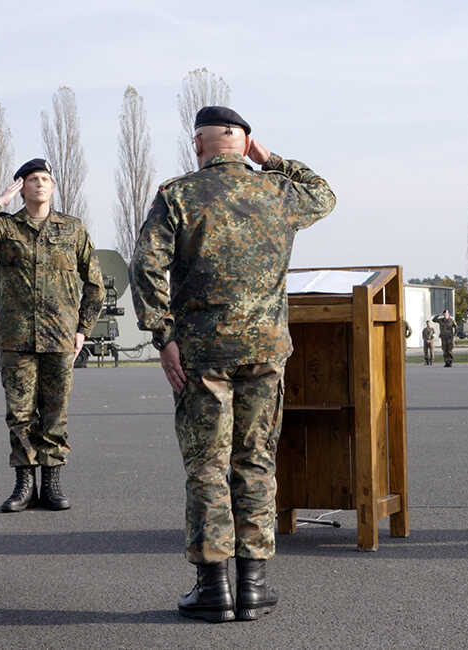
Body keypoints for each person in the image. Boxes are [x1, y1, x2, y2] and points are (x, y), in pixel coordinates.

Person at [131, 106, 335, 623]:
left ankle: (212, 588)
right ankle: (254, 586)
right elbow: (324, 193)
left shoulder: (178, 194)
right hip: (265, 352)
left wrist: (164, 336)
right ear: (243, 142)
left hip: (202, 354)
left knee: (207, 465)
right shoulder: (279, 192)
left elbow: (146, 266)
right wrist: (267, 155)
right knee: (255, 461)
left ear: (199, 144)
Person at [0, 156, 105, 513]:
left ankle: (51, 483)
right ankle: (23, 485)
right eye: (33, 179)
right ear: (22, 185)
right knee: (19, 414)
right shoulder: (6, 229)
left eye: (45, 179)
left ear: (53, 186)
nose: (40, 184)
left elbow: (95, 284)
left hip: (60, 338)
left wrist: (83, 329)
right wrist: (0, 201)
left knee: (55, 413)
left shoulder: (73, 229)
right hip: (16, 338)